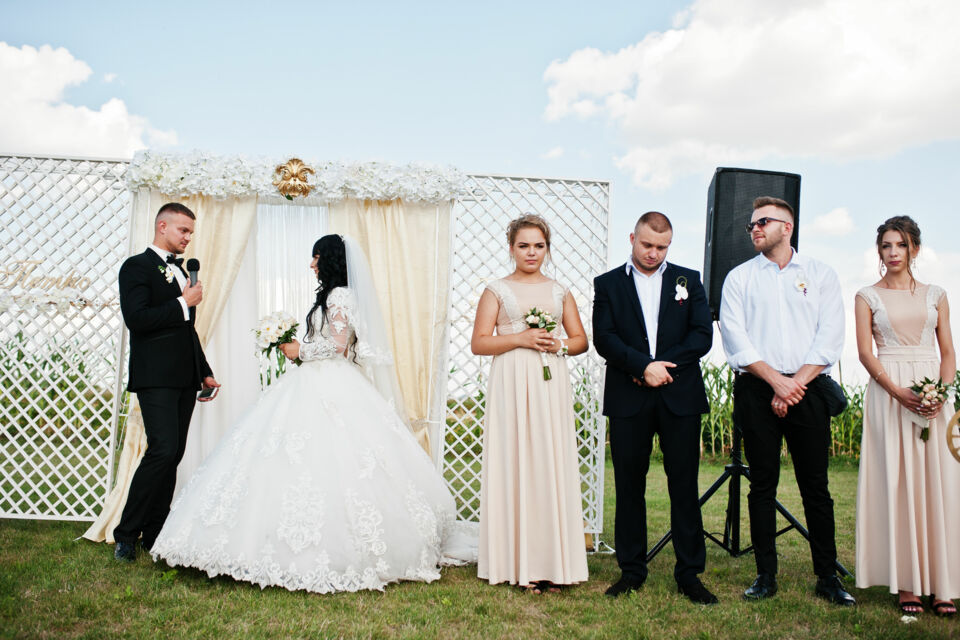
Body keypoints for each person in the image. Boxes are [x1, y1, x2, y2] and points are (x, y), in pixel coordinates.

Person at [150, 235, 459, 593]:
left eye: (314, 257)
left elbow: (340, 346)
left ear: (325, 258)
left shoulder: (340, 295)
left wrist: (300, 350)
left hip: (330, 381)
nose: (311, 264)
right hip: (315, 379)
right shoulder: (332, 295)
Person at [719, 196, 854, 605]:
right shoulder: (739, 278)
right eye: (751, 225)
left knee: (816, 485)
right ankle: (765, 576)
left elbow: (829, 335)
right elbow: (734, 337)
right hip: (758, 388)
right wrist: (777, 382)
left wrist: (794, 384)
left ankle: (828, 577)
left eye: (763, 222)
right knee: (761, 484)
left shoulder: (821, 274)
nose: (754, 229)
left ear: (787, 227)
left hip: (808, 387)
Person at [593, 211, 717, 604]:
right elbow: (604, 338)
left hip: (679, 396)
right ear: (632, 238)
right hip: (629, 397)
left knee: (684, 485)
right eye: (647, 244)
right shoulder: (608, 283)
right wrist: (640, 366)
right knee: (629, 486)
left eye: (661, 247)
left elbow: (701, 336)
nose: (653, 253)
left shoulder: (688, 280)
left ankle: (690, 575)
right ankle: (631, 571)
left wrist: (660, 367)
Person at [471, 214, 589, 593]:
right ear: (511, 248)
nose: (531, 252)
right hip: (511, 381)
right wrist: (520, 338)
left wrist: (557, 344)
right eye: (524, 245)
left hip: (549, 384)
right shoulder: (496, 290)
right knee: (515, 462)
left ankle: (553, 564)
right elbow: (479, 343)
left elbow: (580, 341)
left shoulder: (560, 291)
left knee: (549, 463)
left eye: (539, 245)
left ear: (548, 249)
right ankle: (515, 562)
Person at [854, 216, 958, 617]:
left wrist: (942, 393)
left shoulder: (937, 294)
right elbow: (865, 352)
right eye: (886, 246)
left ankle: (943, 584)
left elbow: (947, 351)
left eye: (900, 245)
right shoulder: (866, 296)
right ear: (879, 251)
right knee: (898, 481)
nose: (893, 252)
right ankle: (908, 584)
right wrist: (898, 393)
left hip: (935, 395)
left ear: (915, 248)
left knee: (939, 482)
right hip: (888, 392)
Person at [113, 202, 220, 562]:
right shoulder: (136, 267)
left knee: (173, 454)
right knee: (161, 449)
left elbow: (186, 329)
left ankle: (155, 533)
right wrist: (182, 300)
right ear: (162, 226)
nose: (189, 238)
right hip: (154, 375)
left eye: (191, 232)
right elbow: (137, 319)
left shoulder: (181, 272)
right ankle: (126, 534)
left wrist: (203, 369)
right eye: (183, 231)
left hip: (183, 375)